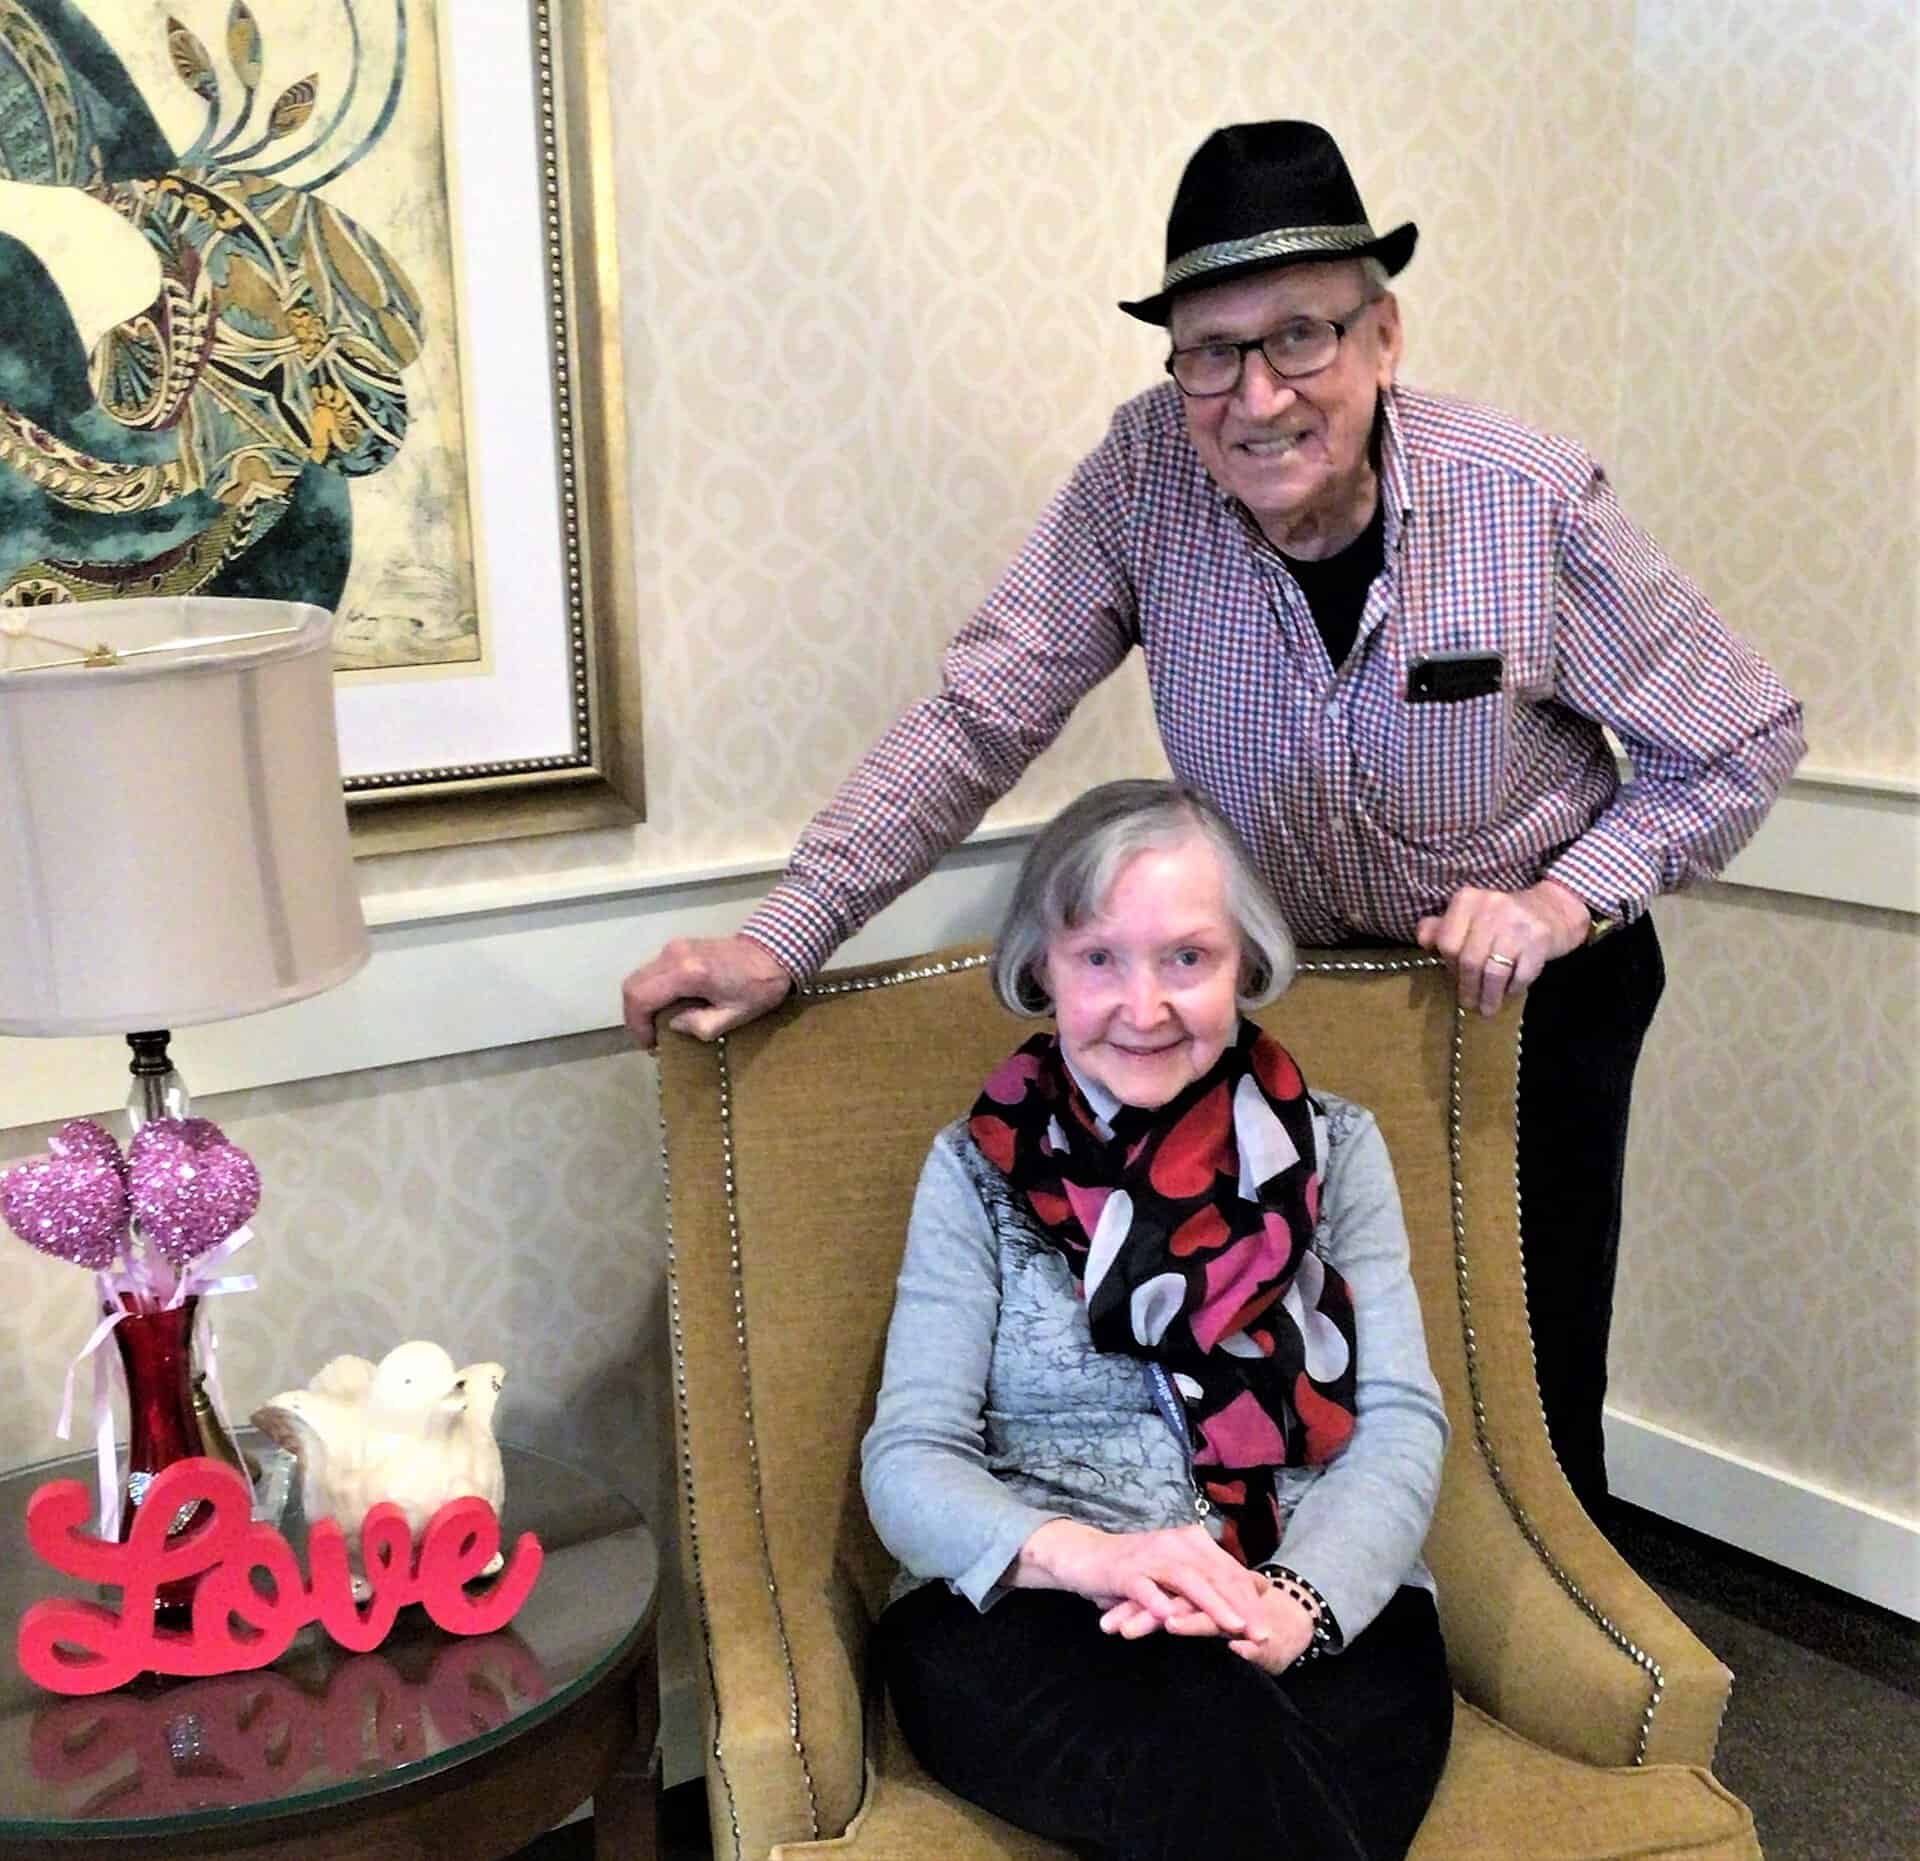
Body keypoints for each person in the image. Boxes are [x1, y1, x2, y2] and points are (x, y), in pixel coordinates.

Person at [624, 121, 1806, 1519]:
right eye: (1208, 352)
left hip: (1528, 1003)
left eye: (1299, 338)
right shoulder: (1140, 479)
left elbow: (1741, 734)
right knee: (1298, 1377)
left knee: (1526, 1384)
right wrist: (786, 934)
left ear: (1382, 335)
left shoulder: (1524, 498)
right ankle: (1309, 1652)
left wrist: (1557, 903)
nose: (1255, 396)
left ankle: (1566, 1670)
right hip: (1294, 1003)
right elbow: (977, 717)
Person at [862, 780, 1453, 1861]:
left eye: (1188, 957)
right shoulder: (974, 1173)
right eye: (1100, 959)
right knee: (1231, 1758)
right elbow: (910, 1457)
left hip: (1319, 1591)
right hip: (1033, 1609)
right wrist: (1093, 1557)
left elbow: (1402, 1423)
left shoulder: (1340, 1151)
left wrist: (1295, 1604)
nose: (1145, 1006)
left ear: (1246, 966)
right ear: (1043, 966)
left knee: (1255, 1783)